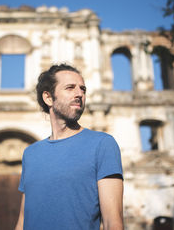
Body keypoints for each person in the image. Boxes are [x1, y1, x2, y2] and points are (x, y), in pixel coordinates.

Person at [15, 64, 124, 230]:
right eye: (70, 88)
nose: (79, 93)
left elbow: (112, 222)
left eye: (83, 89)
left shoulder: (102, 144)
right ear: (48, 98)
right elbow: (23, 220)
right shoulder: (31, 154)